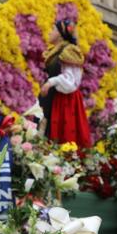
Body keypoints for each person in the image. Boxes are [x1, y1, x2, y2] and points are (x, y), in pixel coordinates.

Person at [39, 19, 91, 148]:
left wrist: (51, 82)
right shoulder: (56, 50)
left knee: (61, 141)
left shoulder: (69, 51)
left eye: (53, 29)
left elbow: (71, 81)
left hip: (64, 101)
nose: (50, 32)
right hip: (53, 99)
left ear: (61, 33)